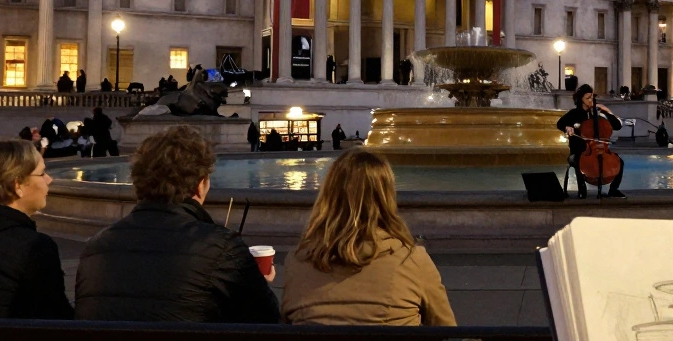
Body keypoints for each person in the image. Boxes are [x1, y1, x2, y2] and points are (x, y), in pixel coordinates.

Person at [74, 125, 280, 322]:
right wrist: (258, 281)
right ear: (201, 185)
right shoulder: (221, 248)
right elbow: (266, 323)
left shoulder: (96, 248)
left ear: (138, 184)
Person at [282, 148, 455, 327]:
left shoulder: (297, 261)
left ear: (328, 195)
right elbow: (449, 335)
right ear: (386, 197)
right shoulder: (412, 261)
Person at [0, 140, 73, 319]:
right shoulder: (33, 248)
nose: (49, 179)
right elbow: (56, 324)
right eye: (42, 173)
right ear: (17, 184)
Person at [556, 84, 625, 199]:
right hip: (579, 151)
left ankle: (614, 190)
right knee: (579, 160)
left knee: (619, 161)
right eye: (587, 98)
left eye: (592, 97)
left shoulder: (598, 112)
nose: (591, 100)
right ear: (580, 100)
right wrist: (567, 127)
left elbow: (617, 126)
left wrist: (607, 111)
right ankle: (582, 190)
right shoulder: (574, 114)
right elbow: (560, 124)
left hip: (600, 149)